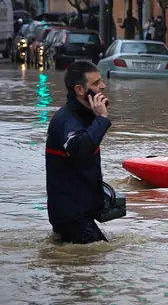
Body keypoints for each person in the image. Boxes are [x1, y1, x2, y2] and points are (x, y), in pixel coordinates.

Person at [45, 61, 111, 244]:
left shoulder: (84, 116)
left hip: (79, 214)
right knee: (99, 261)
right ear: (80, 90)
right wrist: (102, 119)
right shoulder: (68, 121)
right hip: (72, 217)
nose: (103, 86)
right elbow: (80, 150)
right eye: (96, 83)